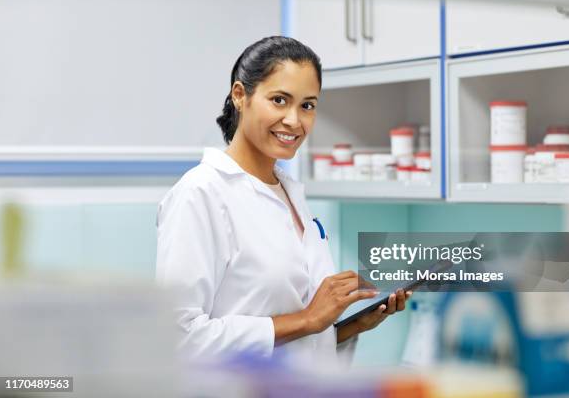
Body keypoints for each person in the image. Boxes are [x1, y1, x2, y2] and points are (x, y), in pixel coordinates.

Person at [156, 36, 410, 364]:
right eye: (279, 100)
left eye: (307, 105)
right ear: (240, 96)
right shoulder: (201, 193)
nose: (294, 120)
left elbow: (296, 335)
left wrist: (347, 326)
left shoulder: (289, 191)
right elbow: (179, 338)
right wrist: (309, 319)